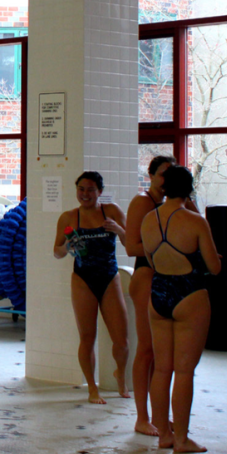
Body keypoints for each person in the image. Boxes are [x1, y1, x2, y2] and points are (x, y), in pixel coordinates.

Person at [141, 166, 221, 453]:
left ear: (163, 187)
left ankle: (163, 434)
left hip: (158, 295)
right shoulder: (195, 221)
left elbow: (152, 261)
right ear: (189, 189)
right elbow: (214, 267)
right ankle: (182, 439)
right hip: (190, 295)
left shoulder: (149, 220)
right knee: (184, 372)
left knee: (162, 369)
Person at [124, 155, 196, 435]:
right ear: (151, 175)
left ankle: (161, 418)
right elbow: (132, 246)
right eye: (163, 174)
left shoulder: (179, 203)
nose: (166, 179)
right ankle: (143, 417)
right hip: (147, 276)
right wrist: (169, 245)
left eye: (171, 174)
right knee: (148, 349)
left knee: (166, 356)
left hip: (170, 279)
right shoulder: (143, 202)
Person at [53, 171, 131, 404]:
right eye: (81, 189)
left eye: (90, 190)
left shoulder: (113, 211)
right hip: (82, 279)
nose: (85, 194)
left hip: (109, 277)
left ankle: (120, 375)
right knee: (87, 337)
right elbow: (56, 252)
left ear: (100, 192)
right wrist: (67, 245)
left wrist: (118, 229)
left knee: (122, 340)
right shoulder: (68, 217)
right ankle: (92, 389)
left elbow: (131, 244)